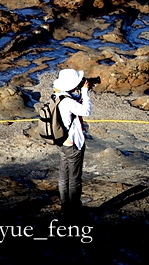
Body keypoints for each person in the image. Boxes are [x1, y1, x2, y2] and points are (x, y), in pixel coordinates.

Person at [52, 68, 93, 215]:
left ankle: (65, 206)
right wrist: (85, 92)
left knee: (63, 176)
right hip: (73, 144)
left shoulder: (57, 96)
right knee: (75, 178)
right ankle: (74, 209)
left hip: (61, 141)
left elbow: (73, 102)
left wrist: (82, 92)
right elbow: (86, 111)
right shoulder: (68, 102)